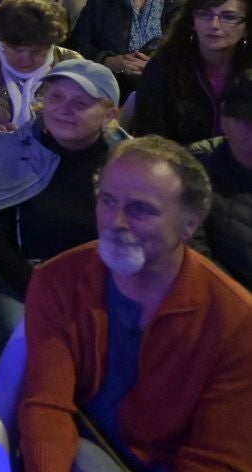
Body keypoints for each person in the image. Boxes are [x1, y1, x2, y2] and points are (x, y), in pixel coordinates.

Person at [18, 137, 252, 470]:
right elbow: (46, 406)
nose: (116, 223)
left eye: (141, 209)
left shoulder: (237, 322)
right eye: (108, 201)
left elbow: (217, 459)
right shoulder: (58, 281)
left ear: (190, 223)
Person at [0, 59, 126, 341]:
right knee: (37, 344)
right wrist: (39, 287)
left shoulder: (128, 163)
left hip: (105, 282)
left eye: (81, 103)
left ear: (109, 116)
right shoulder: (11, 150)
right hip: (21, 279)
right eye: (56, 97)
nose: (64, 110)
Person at [130, 0, 252, 145]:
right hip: (180, 164)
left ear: (247, 27)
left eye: (229, 17)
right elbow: (150, 137)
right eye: (205, 14)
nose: (215, 25)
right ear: (192, 22)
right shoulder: (164, 66)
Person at [191, 70, 252, 289]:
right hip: (225, 303)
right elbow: (192, 247)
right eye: (246, 122)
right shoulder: (194, 167)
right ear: (224, 119)